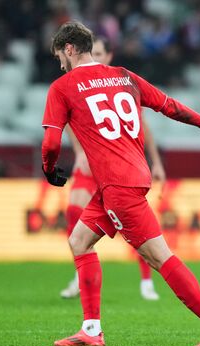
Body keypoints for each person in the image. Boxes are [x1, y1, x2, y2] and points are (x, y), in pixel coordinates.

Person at [41, 21, 200, 346]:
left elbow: (50, 142)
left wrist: (50, 170)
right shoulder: (124, 76)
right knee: (79, 240)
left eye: (59, 57)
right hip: (126, 179)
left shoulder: (62, 87)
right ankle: (91, 330)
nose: (59, 64)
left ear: (70, 49)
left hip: (118, 187)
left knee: (159, 257)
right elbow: (166, 104)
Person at [60, 37, 164, 301]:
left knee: (136, 231)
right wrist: (79, 151)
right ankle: (79, 275)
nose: (93, 56)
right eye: (91, 51)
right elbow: (69, 122)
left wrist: (156, 161)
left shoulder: (118, 82)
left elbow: (143, 126)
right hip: (92, 164)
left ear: (108, 55)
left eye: (98, 52)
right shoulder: (79, 85)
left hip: (118, 168)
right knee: (74, 213)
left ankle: (146, 280)